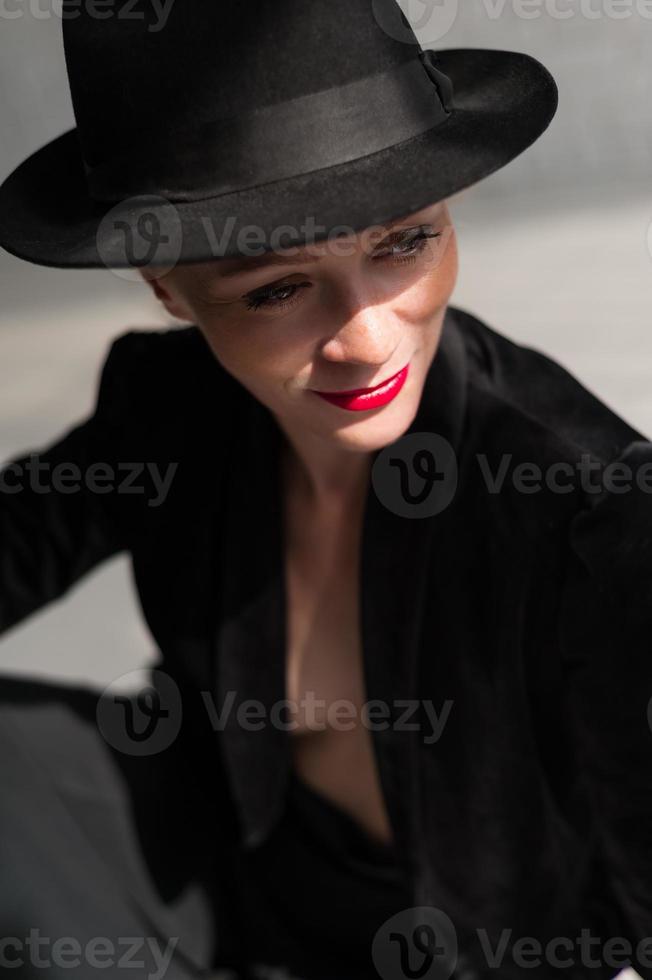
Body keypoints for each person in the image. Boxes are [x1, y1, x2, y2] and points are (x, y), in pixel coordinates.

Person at [1, 3, 652, 980]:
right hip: (221, 878)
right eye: (277, 288)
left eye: (403, 243)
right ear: (167, 286)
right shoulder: (168, 407)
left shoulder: (586, 505)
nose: (369, 338)